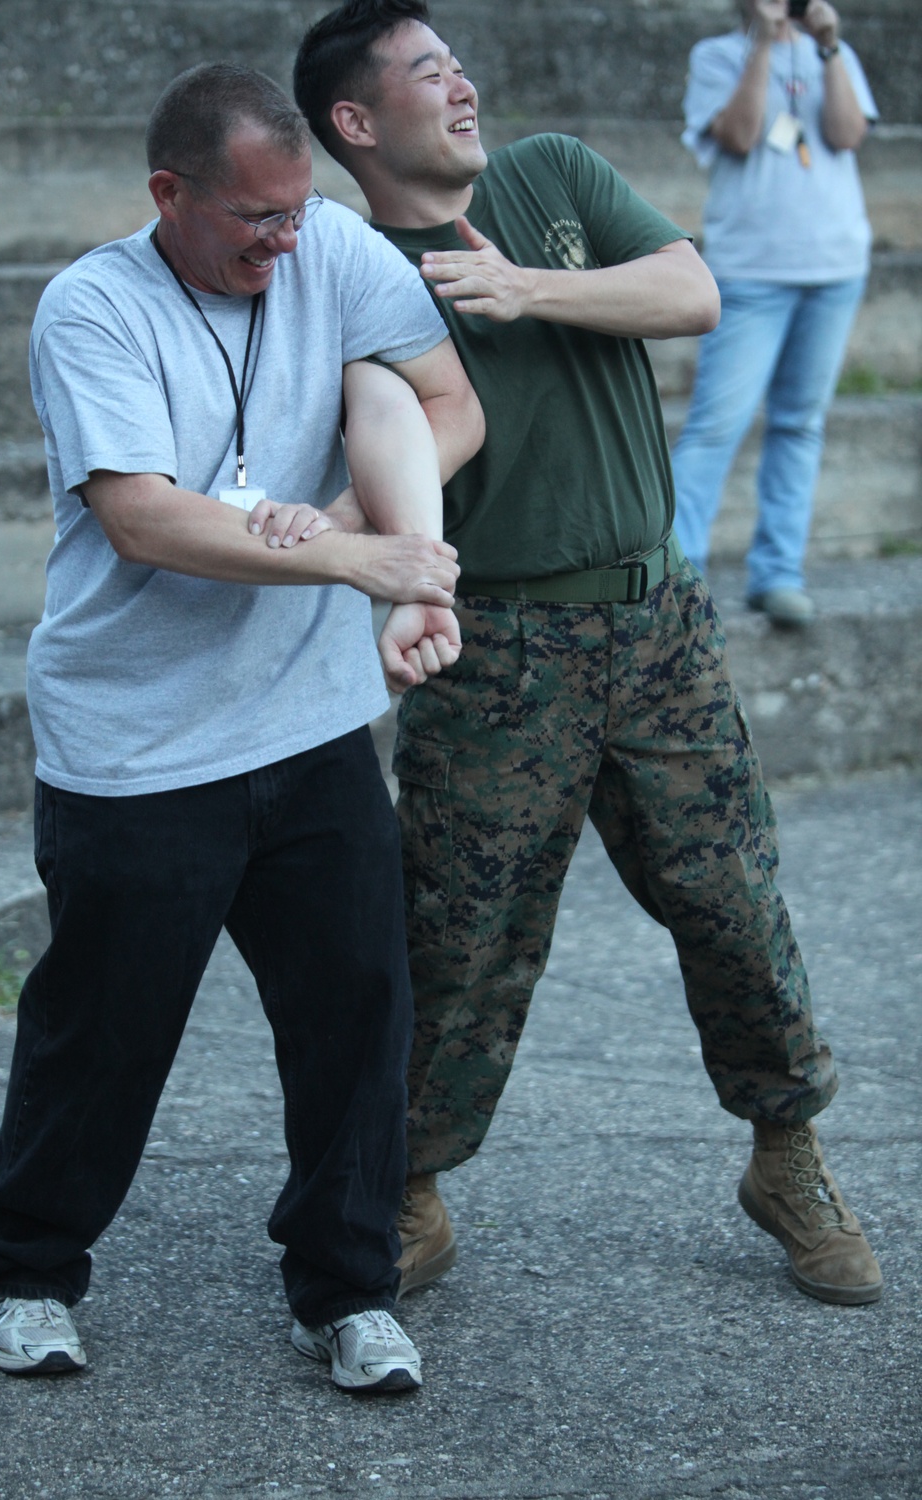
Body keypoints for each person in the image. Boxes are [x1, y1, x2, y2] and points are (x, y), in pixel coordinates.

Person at [291, 0, 883, 1310]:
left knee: (735, 906)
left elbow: (693, 287)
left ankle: (787, 1155)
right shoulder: (347, 271)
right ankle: (409, 1185)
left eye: (457, 63)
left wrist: (523, 285)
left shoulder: (549, 174)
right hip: (495, 644)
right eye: (426, 73)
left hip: (654, 622)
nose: (461, 87)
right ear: (354, 120)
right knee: (460, 939)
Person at [0, 59, 485, 1394]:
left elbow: (443, 405)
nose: (285, 239)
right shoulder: (94, 307)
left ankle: (347, 1287)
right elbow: (144, 516)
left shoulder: (334, 250)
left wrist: (389, 544)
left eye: (297, 209)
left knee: (359, 1013)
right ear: (171, 194)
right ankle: (32, 1270)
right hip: (136, 744)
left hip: (307, 728)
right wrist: (354, 566)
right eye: (253, 216)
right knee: (103, 1028)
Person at [671, 0, 877, 626]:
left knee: (800, 424)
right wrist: (763, 43)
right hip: (752, 272)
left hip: (835, 266)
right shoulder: (717, 56)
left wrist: (830, 45)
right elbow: (740, 133)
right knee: (715, 426)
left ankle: (779, 573)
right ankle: (679, 578)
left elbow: (846, 134)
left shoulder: (833, 54)